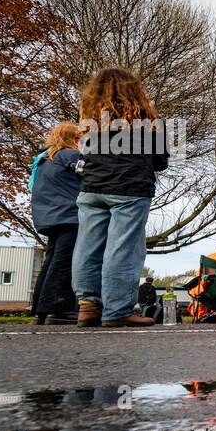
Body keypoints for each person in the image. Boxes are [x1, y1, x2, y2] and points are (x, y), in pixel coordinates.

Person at [72, 67, 168, 328]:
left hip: (92, 187)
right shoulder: (148, 121)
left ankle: (88, 306)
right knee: (123, 250)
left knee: (88, 246)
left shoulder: (89, 119)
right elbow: (161, 162)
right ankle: (117, 310)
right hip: (130, 188)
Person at [30, 122, 84, 324]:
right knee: (65, 261)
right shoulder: (69, 155)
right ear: (73, 138)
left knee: (51, 260)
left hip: (49, 216)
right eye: (79, 138)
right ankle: (58, 308)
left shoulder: (44, 160)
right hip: (69, 214)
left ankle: (40, 310)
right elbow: (90, 175)